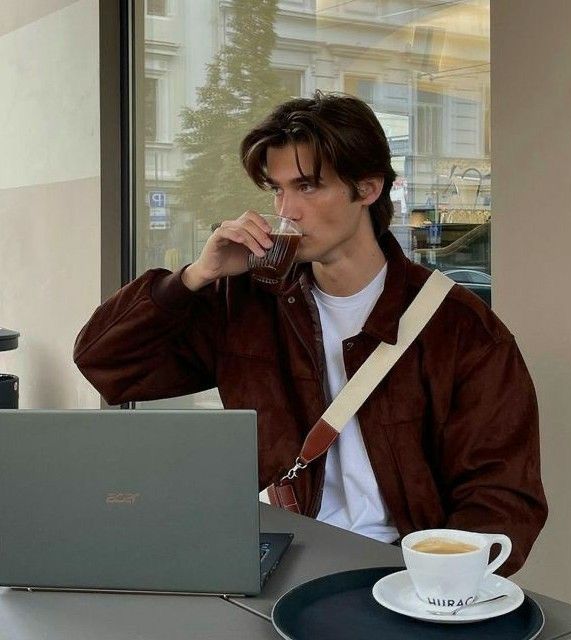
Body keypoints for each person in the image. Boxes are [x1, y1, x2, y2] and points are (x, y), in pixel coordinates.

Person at [74, 91, 547, 575]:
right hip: (272, 552)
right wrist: (194, 276)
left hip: (396, 569)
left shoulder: (461, 328)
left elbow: (501, 497)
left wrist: (436, 585)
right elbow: (106, 363)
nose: (287, 210)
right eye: (277, 190)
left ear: (367, 189)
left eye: (307, 187)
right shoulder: (250, 302)